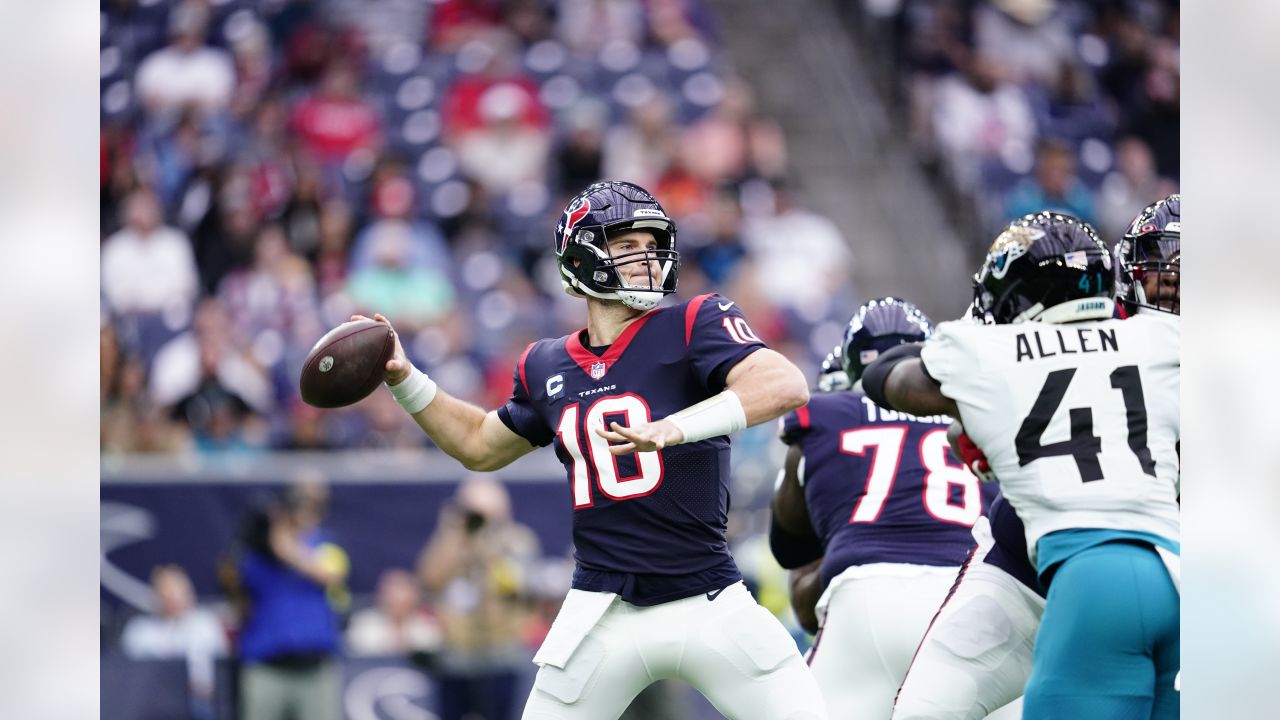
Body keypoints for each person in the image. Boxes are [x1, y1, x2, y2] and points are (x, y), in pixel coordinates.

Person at [360, 180, 827, 719]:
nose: (647, 258)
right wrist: (404, 377)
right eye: (627, 245)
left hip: (708, 595)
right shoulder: (545, 364)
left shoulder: (693, 322)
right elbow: (477, 445)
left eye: (652, 245)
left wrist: (675, 428)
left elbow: (784, 384)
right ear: (582, 256)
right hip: (603, 610)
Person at [863, 212, 1180, 718]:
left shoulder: (990, 352)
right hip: (1123, 571)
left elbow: (887, 377)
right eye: (1173, 277)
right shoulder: (1164, 343)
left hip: (1091, 569)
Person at [770, 297, 994, 719]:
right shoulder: (982, 414)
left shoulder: (822, 414)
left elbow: (792, 560)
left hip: (869, 600)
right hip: (975, 599)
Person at [417, 475, 541, 720]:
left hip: (501, 656)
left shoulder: (517, 540)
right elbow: (429, 580)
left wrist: (491, 548)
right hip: (456, 657)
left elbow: (520, 589)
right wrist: (452, 534)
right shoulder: (450, 542)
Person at [228, 481, 350, 720]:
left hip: (316, 671)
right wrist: (259, 540)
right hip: (266, 669)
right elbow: (235, 587)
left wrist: (286, 547)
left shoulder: (323, 543)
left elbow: (332, 574)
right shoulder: (257, 556)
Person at [120, 565, 229, 720]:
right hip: (149, 705)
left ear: (189, 592)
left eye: (176, 590)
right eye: (165, 590)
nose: (171, 597)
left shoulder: (206, 624)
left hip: (197, 703)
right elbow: (128, 678)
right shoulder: (139, 630)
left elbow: (219, 676)